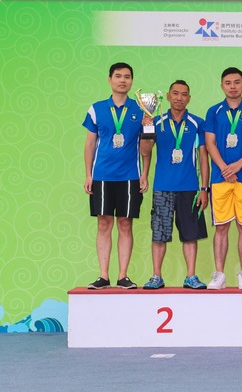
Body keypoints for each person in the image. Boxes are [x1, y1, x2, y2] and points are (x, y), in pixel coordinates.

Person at [83, 62, 151, 289]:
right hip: (102, 175)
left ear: (132, 81)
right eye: (118, 76)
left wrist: (145, 174)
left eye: (127, 76)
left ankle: (123, 276)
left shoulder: (141, 110)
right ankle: (103, 275)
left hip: (130, 176)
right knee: (104, 224)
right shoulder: (96, 109)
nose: (123, 80)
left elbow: (146, 148)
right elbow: (90, 143)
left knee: (125, 224)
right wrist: (88, 174)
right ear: (110, 79)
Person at [141, 80, 209, 290]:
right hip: (163, 187)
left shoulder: (197, 123)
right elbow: (145, 151)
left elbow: (203, 157)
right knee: (159, 234)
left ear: (189, 98)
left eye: (184, 94)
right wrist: (146, 127)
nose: (179, 98)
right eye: (175, 93)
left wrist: (204, 188)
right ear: (168, 96)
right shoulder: (156, 121)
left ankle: (191, 276)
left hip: (189, 188)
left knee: (190, 235)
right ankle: (156, 276)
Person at [204, 67, 242, 290]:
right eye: (228, 83)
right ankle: (219, 274)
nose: (233, 86)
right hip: (220, 178)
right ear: (222, 86)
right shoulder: (214, 111)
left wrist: (238, 165)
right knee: (221, 227)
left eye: (237, 82)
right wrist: (224, 168)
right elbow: (209, 143)